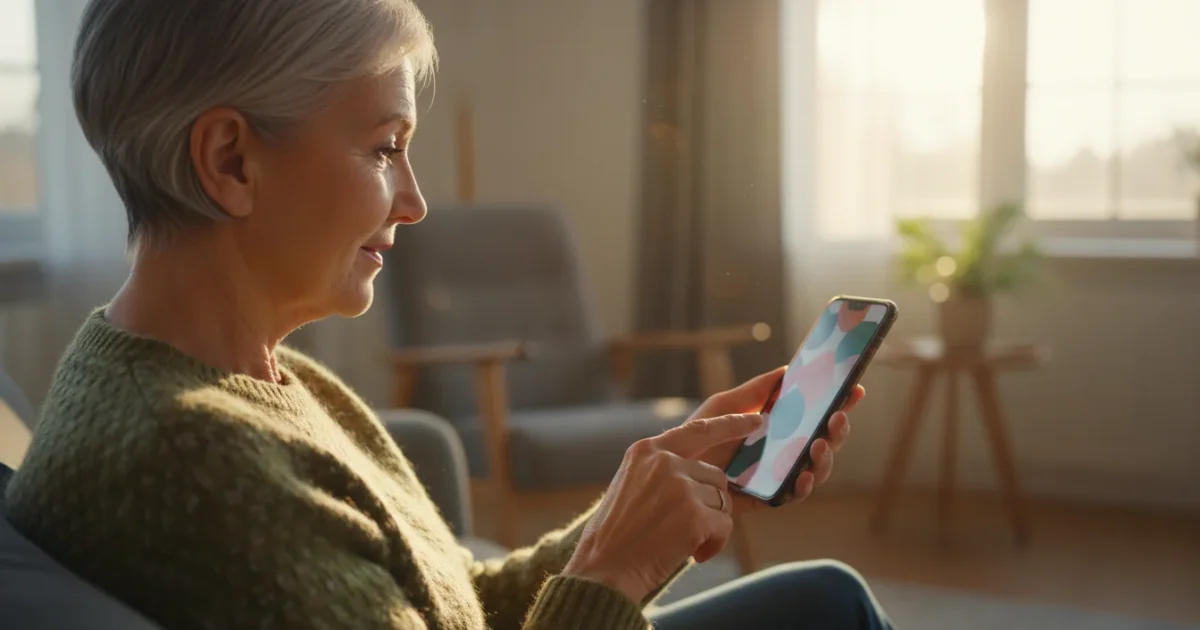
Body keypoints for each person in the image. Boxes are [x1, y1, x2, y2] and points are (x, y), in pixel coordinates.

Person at [3, 1, 895, 629]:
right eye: (385, 147)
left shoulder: (259, 378)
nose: (416, 201)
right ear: (231, 160)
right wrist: (613, 573)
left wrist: (637, 508)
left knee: (822, 597)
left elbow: (452, 608)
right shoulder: (194, 458)